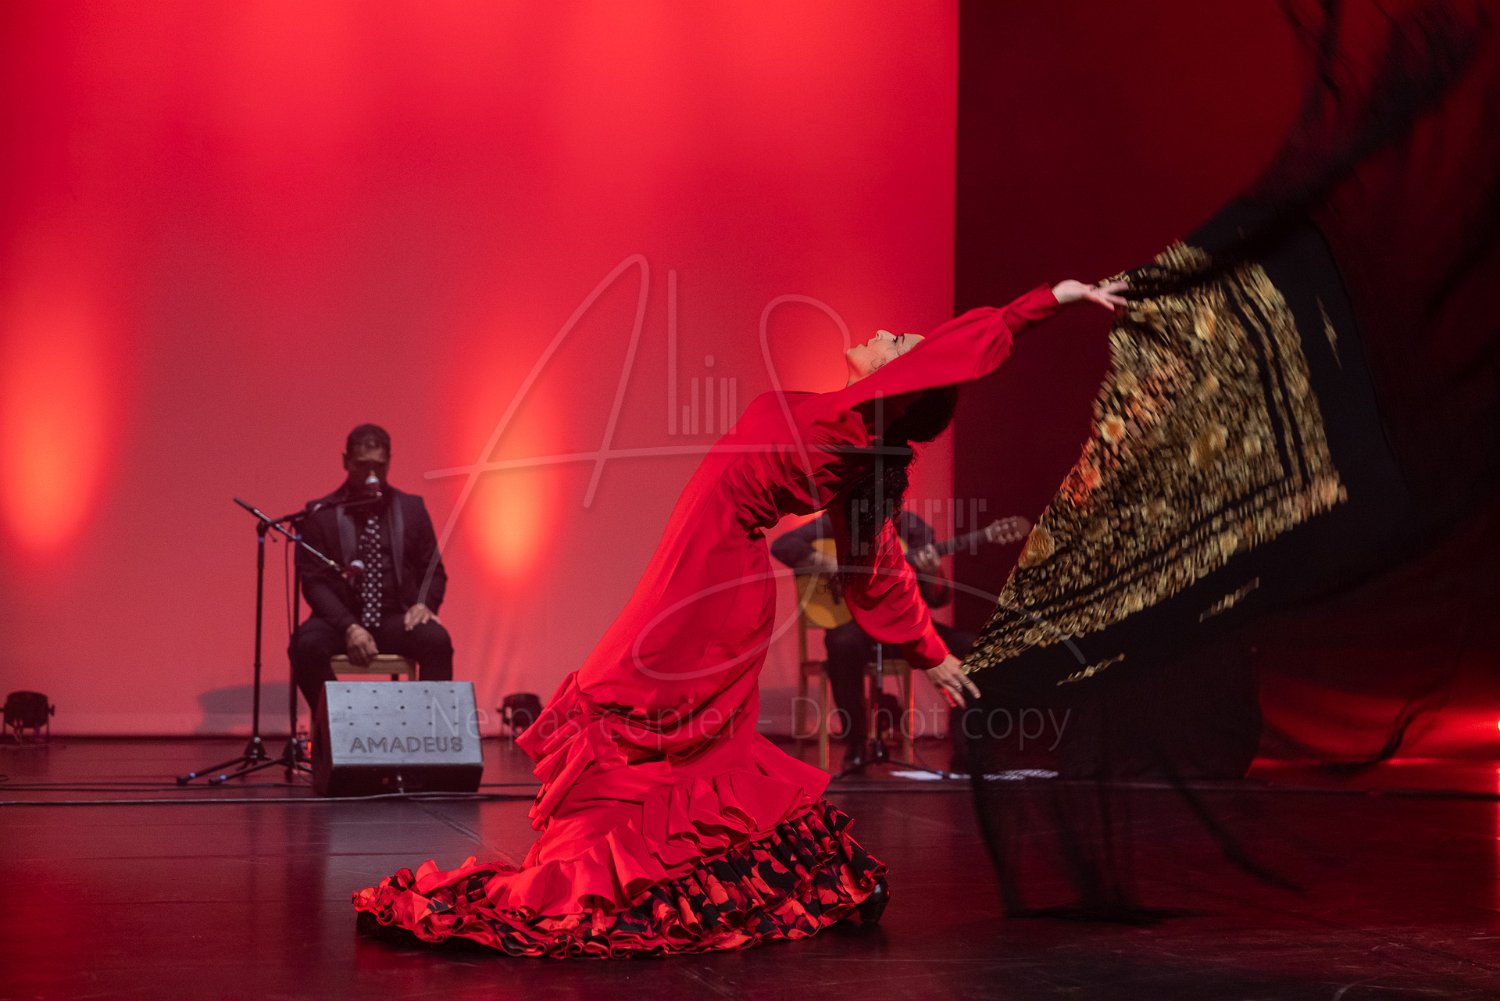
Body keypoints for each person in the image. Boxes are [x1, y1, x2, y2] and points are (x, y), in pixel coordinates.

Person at [352, 281, 1126, 957]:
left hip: (716, 575)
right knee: (661, 732)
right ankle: (703, 874)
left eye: (899, 342)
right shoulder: (852, 432)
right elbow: (875, 560)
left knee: (634, 706)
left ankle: (616, 877)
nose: (886, 333)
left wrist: (1046, 301)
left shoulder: (862, 426)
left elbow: (883, 551)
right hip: (710, 560)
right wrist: (928, 648)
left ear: (901, 382)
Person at [772, 509, 973, 770]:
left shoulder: (915, 529)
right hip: (857, 626)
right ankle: (856, 741)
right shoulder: (843, 520)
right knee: (842, 642)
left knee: (968, 645)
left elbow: (937, 600)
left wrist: (933, 573)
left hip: (905, 626)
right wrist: (828, 563)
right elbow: (783, 545)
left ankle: (967, 749)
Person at [288, 424, 452, 713]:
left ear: (389, 462)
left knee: (436, 641)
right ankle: (340, 724)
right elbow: (314, 582)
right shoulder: (321, 513)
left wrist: (425, 604)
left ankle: (427, 729)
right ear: (346, 461)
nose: (372, 475)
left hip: (395, 618)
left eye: (379, 466)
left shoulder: (411, 508)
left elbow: (433, 570)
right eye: (362, 466)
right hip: (340, 620)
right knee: (305, 646)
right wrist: (349, 627)